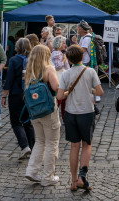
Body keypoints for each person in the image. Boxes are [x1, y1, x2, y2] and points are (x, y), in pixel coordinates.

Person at [57, 44, 104, 192]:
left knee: (74, 147)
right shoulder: (89, 71)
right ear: (82, 57)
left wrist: (67, 93)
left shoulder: (65, 74)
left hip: (71, 113)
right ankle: (82, 176)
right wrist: (88, 89)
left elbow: (59, 96)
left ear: (69, 60)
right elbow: (100, 92)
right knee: (87, 144)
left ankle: (73, 181)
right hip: (86, 112)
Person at [24, 44, 61, 186]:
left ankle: (31, 171)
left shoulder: (29, 71)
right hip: (48, 110)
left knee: (40, 141)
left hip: (34, 111)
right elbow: (56, 87)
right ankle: (47, 177)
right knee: (52, 143)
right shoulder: (49, 68)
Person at [2, 38, 35, 160]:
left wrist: (4, 95)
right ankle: (32, 147)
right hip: (30, 94)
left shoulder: (14, 60)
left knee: (16, 122)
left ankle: (25, 146)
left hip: (16, 94)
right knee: (28, 122)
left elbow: (9, 79)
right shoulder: (32, 59)